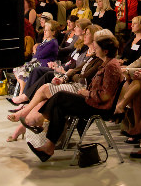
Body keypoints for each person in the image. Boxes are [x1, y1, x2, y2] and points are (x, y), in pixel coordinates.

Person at [25, 31, 123, 162]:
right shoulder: (106, 63)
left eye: (97, 48)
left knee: (60, 95)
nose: (95, 50)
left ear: (105, 51)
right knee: (59, 108)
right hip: (92, 101)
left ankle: (41, 118)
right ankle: (48, 147)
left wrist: (86, 93)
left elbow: (105, 96)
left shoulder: (111, 66)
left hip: (98, 106)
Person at [12, 19, 59, 96]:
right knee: (16, 68)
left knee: (23, 72)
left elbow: (38, 55)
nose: (44, 32)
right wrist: (36, 49)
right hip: (36, 62)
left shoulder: (53, 43)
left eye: (47, 30)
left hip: (43, 64)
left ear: (53, 32)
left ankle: (22, 93)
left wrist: (35, 49)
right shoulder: (46, 41)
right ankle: (22, 88)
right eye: (44, 30)